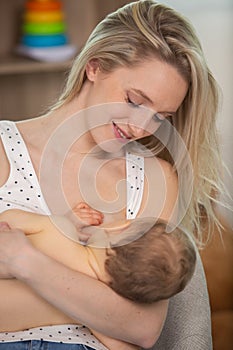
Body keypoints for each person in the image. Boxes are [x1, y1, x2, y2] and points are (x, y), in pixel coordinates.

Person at [0, 0, 225, 349]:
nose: (141, 127)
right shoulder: (3, 149)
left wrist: (25, 262)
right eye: (134, 100)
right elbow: (126, 324)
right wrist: (100, 307)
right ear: (95, 66)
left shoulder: (154, 179)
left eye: (161, 117)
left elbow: (143, 329)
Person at [0, 207, 196, 349]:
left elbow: (9, 218)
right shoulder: (98, 317)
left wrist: (65, 223)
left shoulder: (58, 229)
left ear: (121, 227)